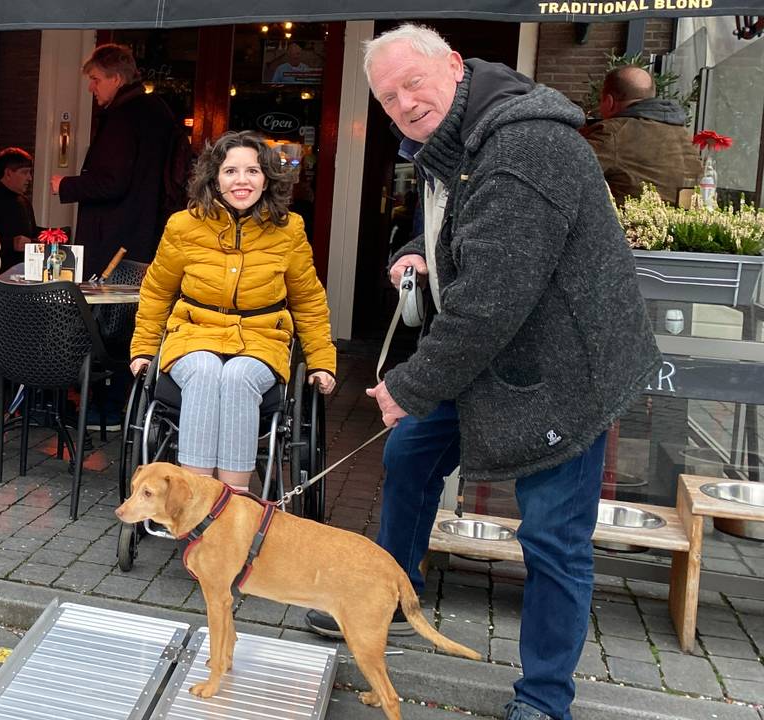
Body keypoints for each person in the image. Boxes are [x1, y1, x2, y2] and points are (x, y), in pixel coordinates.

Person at [304, 25, 660, 720]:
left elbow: (490, 302)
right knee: (409, 455)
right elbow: (454, 230)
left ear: (456, 67)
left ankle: (544, 698)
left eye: (414, 83)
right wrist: (413, 249)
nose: (404, 102)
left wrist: (407, 387)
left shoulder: (524, 146)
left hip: (563, 373)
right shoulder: (453, 144)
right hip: (500, 359)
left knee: (553, 537)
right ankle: (396, 593)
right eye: (388, 96)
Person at [129, 130, 337, 492]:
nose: (242, 180)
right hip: (193, 336)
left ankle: (233, 506)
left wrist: (321, 362)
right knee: (207, 371)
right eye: (231, 171)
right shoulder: (183, 226)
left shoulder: (290, 231)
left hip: (261, 340)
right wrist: (144, 350)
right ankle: (195, 499)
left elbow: (308, 301)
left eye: (253, 171)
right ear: (214, 178)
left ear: (267, 179)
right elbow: (157, 292)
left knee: (239, 375)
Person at [51, 43, 174, 277]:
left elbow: (112, 181)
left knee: (105, 308)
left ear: (116, 79)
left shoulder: (123, 117)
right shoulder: (157, 109)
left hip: (116, 241)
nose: (90, 87)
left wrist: (66, 185)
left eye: (96, 79)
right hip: (147, 234)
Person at [581, 65, 702, 206]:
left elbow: (566, 169)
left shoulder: (613, 132)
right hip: (680, 225)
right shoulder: (683, 135)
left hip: (628, 224)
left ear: (609, 101)